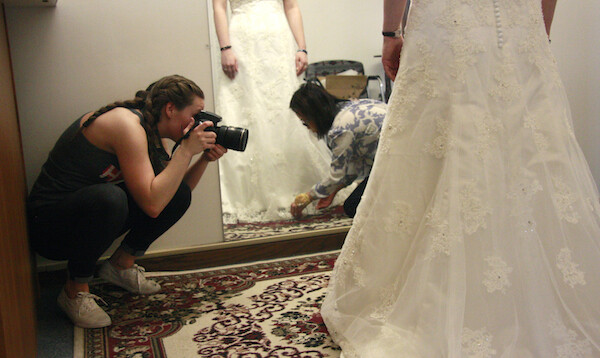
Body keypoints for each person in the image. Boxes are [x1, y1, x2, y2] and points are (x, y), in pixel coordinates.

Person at [321, 0, 600, 356]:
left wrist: (391, 32)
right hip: (519, 23)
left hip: (447, 21)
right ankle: (514, 295)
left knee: (443, 149)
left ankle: (459, 298)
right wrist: (537, 30)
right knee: (523, 152)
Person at [27, 75, 227, 329]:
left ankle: (120, 266)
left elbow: (176, 193)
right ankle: (73, 290)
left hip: (82, 219)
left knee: (176, 193)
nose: (200, 123)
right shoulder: (127, 124)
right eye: (196, 114)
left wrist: (203, 160)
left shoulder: (153, 134)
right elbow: (152, 204)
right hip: (48, 227)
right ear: (170, 109)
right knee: (110, 198)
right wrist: (186, 150)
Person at [212, 0, 331, 224]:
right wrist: (225, 47)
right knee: (245, 107)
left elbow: (292, 7)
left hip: (278, 39)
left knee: (284, 109)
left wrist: (301, 47)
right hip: (242, 39)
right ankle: (245, 193)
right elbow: (218, 6)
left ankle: (295, 186)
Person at [289, 82, 386, 219]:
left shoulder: (340, 129)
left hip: (395, 163)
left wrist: (307, 197)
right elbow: (353, 166)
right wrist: (333, 191)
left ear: (315, 115)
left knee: (353, 206)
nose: (307, 128)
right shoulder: (349, 106)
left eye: (306, 122)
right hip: (403, 150)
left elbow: (337, 175)